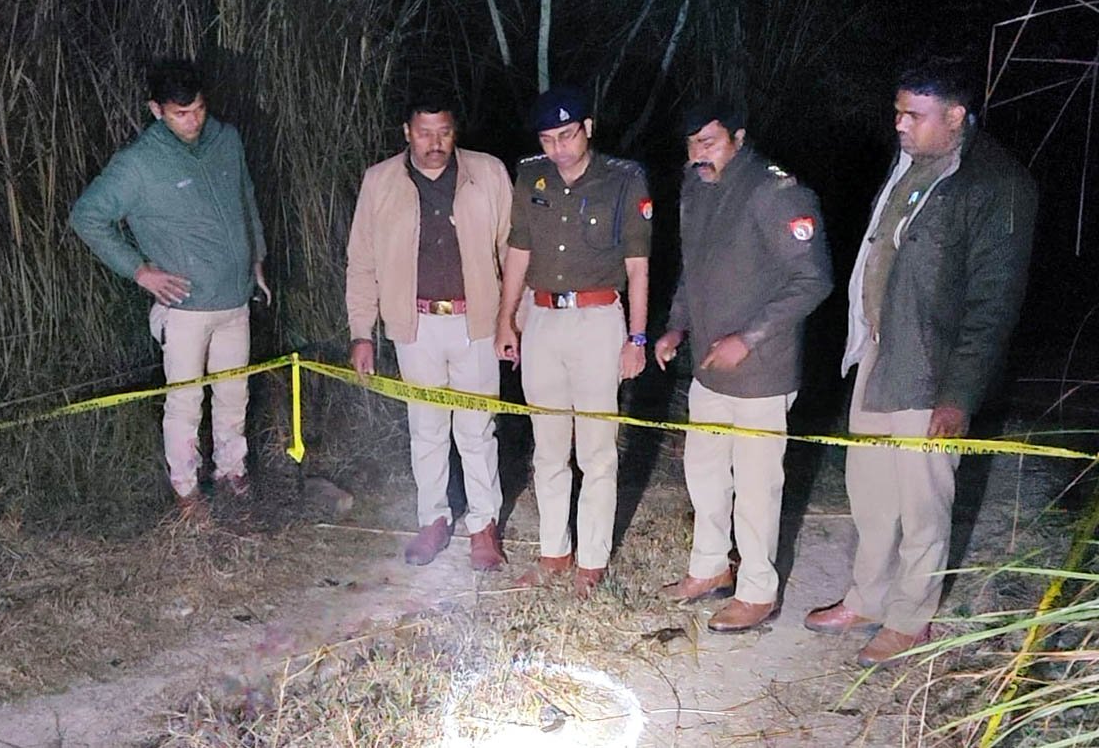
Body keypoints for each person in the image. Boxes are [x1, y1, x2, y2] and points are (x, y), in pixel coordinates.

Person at [804, 57, 1037, 666]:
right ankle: (867, 598)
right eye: (898, 112)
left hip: (932, 372)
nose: (900, 125)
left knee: (923, 504)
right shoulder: (909, 164)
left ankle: (910, 619)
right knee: (870, 493)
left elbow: (993, 304)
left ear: (956, 115)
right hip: (880, 353)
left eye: (915, 115)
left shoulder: (997, 185)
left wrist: (959, 395)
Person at [655, 98, 833, 632]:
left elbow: (813, 279)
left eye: (708, 142)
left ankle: (758, 590)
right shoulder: (696, 187)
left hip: (761, 369)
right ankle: (710, 567)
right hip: (709, 365)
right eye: (691, 144)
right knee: (704, 473)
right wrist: (676, 326)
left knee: (756, 487)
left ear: (738, 137)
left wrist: (748, 338)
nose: (698, 154)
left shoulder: (775, 192)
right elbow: (694, 269)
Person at [71, 59, 270, 523]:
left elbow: (246, 198)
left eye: (198, 109)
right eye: (180, 114)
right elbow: (87, 216)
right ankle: (186, 488)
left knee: (234, 393)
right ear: (156, 110)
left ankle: (232, 469)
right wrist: (140, 271)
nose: (193, 121)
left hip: (235, 298)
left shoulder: (226, 139)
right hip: (185, 307)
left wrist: (256, 259)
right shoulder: (138, 163)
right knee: (185, 401)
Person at [494, 87, 651, 599]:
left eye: (567, 135)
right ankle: (553, 553)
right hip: (541, 319)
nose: (558, 147)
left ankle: (592, 561)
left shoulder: (624, 179)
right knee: (548, 447)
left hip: (598, 320)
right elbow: (518, 251)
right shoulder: (530, 176)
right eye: (548, 139)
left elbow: (638, 265)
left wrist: (637, 337)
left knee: (597, 450)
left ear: (588, 128)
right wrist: (506, 320)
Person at [345, 94, 512, 570]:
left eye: (444, 133)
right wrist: (362, 331)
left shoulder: (488, 174)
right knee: (426, 428)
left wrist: (511, 321)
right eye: (424, 133)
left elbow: (511, 249)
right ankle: (433, 519)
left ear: (455, 131)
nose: (434, 143)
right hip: (414, 325)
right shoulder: (380, 181)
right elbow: (362, 261)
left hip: (476, 321)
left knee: (478, 428)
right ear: (407, 132)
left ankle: (483, 526)